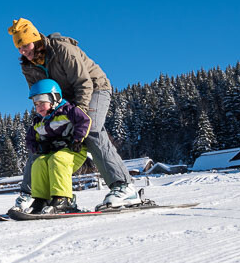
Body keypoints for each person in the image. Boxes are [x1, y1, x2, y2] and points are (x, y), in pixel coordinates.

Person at [8, 17, 141, 208]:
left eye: (26, 45)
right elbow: (38, 94)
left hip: (94, 88)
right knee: (42, 137)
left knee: (91, 128)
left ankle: (124, 186)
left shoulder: (62, 49)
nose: (23, 51)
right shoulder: (27, 66)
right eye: (19, 48)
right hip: (60, 98)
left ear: (36, 40)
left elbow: (84, 83)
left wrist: (80, 114)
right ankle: (35, 194)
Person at [20, 79, 91, 214]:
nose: (39, 106)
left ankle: (63, 199)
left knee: (57, 159)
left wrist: (77, 140)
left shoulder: (68, 110)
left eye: (42, 101)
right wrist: (38, 147)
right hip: (53, 153)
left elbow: (84, 120)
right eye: (36, 103)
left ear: (55, 99)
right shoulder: (38, 122)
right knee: (39, 163)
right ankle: (41, 199)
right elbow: (30, 139)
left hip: (73, 151)